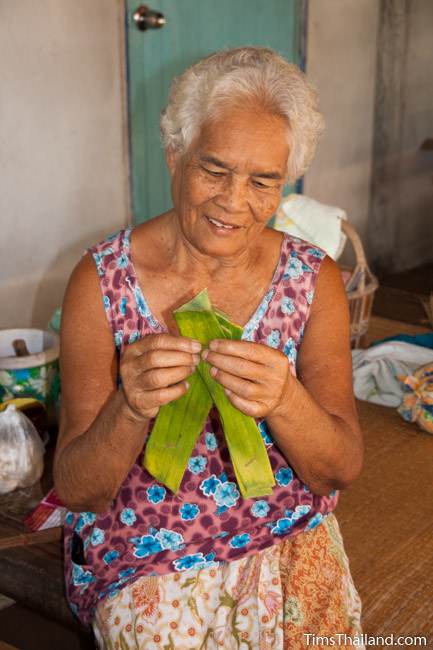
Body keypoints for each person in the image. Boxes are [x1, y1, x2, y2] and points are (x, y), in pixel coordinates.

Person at [54, 47, 364, 649]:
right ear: (175, 156)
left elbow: (338, 469)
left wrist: (285, 400)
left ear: (285, 185)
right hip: (148, 547)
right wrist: (130, 406)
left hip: (286, 530)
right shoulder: (101, 281)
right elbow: (77, 488)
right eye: (214, 170)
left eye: (263, 181)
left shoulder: (312, 278)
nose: (233, 200)